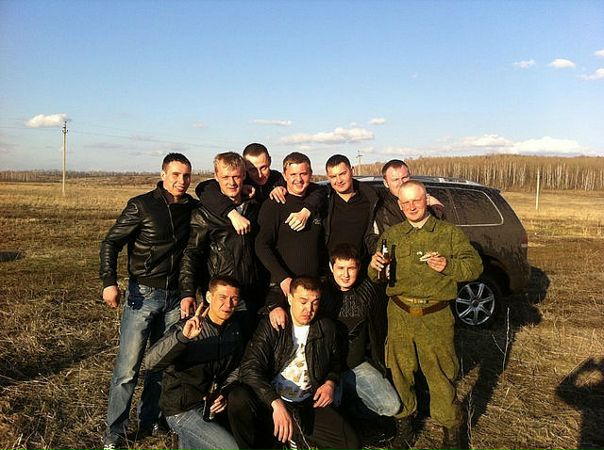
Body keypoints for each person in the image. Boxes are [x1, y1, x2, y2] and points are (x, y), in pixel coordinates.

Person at [368, 180, 482, 450]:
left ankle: (451, 434)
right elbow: (376, 276)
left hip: (435, 316)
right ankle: (405, 428)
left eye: (416, 201)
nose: (411, 207)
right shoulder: (392, 235)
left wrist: (448, 265)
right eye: (405, 202)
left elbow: (475, 267)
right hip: (400, 314)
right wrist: (374, 267)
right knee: (400, 372)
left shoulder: (448, 233)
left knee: (440, 375)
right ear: (399, 205)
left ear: (426, 200)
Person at [99, 153, 196, 449]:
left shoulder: (192, 208)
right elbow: (111, 242)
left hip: (176, 298)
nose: (181, 181)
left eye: (187, 175)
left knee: (162, 363)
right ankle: (114, 433)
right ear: (163, 174)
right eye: (176, 174)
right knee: (128, 369)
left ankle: (151, 418)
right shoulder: (142, 205)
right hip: (143, 296)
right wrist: (109, 282)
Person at [227, 276, 360, 450]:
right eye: (303, 302)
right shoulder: (273, 324)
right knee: (238, 398)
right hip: (270, 399)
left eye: (314, 303)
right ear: (290, 299)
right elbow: (250, 368)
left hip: (307, 401)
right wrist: (275, 402)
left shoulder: (326, 327)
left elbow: (335, 362)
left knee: (351, 444)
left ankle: (294, 435)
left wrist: (330, 383)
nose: (308, 309)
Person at [144, 276, 247, 450]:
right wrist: (182, 338)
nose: (228, 304)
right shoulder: (187, 327)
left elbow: (236, 368)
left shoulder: (234, 330)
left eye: (234, 299)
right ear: (209, 297)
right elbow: (150, 363)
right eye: (222, 297)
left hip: (209, 407)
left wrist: (223, 391)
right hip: (181, 409)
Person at [179, 152, 264, 320]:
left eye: (236, 177)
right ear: (216, 177)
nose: (231, 183)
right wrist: (187, 292)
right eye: (225, 177)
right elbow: (191, 254)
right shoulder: (204, 214)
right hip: (222, 296)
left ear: (244, 176)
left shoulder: (254, 207)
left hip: (253, 294)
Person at [321, 244, 400, 421]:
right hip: (327, 369)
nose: (345, 274)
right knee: (330, 413)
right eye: (340, 268)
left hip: (357, 365)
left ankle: (355, 407)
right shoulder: (321, 291)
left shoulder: (368, 289)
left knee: (392, 406)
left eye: (351, 268)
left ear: (359, 268)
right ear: (331, 267)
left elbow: (389, 280)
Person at [255, 152, 326, 329]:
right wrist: (283, 278)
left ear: (311, 174)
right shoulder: (274, 204)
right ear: (284, 175)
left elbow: (322, 191)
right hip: (284, 289)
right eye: (293, 174)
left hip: (313, 291)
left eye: (303, 174)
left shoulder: (318, 202)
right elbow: (261, 245)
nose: (298, 179)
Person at [196, 143, 324, 235]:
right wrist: (232, 214)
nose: (259, 175)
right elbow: (204, 189)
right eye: (252, 169)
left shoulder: (279, 179)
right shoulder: (238, 182)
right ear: (244, 169)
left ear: (270, 161)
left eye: (264, 168)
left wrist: (306, 210)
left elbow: (318, 190)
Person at [368, 159, 445, 252]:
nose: (401, 183)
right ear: (386, 183)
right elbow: (373, 242)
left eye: (404, 177)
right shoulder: (380, 208)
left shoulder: (426, 201)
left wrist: (437, 206)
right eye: (395, 179)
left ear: (410, 177)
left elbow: (443, 231)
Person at [324, 155, 379, 264]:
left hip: (363, 266)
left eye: (342, 174)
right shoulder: (324, 200)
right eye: (333, 176)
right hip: (330, 268)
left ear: (352, 171)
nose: (338, 180)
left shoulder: (371, 198)